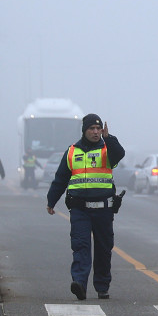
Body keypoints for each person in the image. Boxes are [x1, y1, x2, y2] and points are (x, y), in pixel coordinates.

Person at [46, 114, 125, 301]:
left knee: (103, 249)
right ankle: (79, 283)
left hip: (103, 209)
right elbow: (61, 178)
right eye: (92, 129)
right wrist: (51, 201)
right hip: (80, 209)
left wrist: (109, 138)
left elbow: (119, 154)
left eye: (98, 129)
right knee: (80, 245)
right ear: (84, 130)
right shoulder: (72, 151)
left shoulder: (107, 149)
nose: (96, 132)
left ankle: (102, 286)